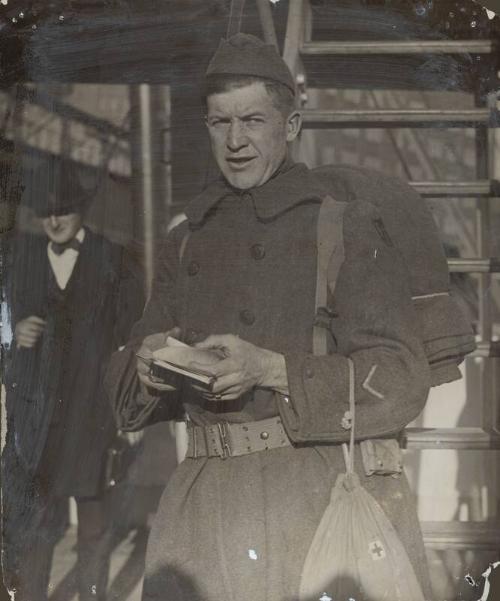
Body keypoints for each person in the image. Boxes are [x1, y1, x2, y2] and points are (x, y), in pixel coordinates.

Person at [105, 33, 433, 601]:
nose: (235, 141)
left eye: (253, 121)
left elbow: (402, 378)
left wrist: (273, 370)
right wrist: (151, 366)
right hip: (200, 508)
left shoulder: (342, 225)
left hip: (306, 500)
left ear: (292, 125)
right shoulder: (186, 240)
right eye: (219, 123)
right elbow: (123, 385)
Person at [2, 155, 142, 601]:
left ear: (81, 209)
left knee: (94, 522)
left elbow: (132, 334)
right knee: (36, 522)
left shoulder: (113, 258)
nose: (55, 219)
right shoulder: (19, 257)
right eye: (46, 211)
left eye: (63, 209)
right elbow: (2, 321)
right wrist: (12, 335)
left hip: (91, 412)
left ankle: (93, 595)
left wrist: (125, 411)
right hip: (37, 420)